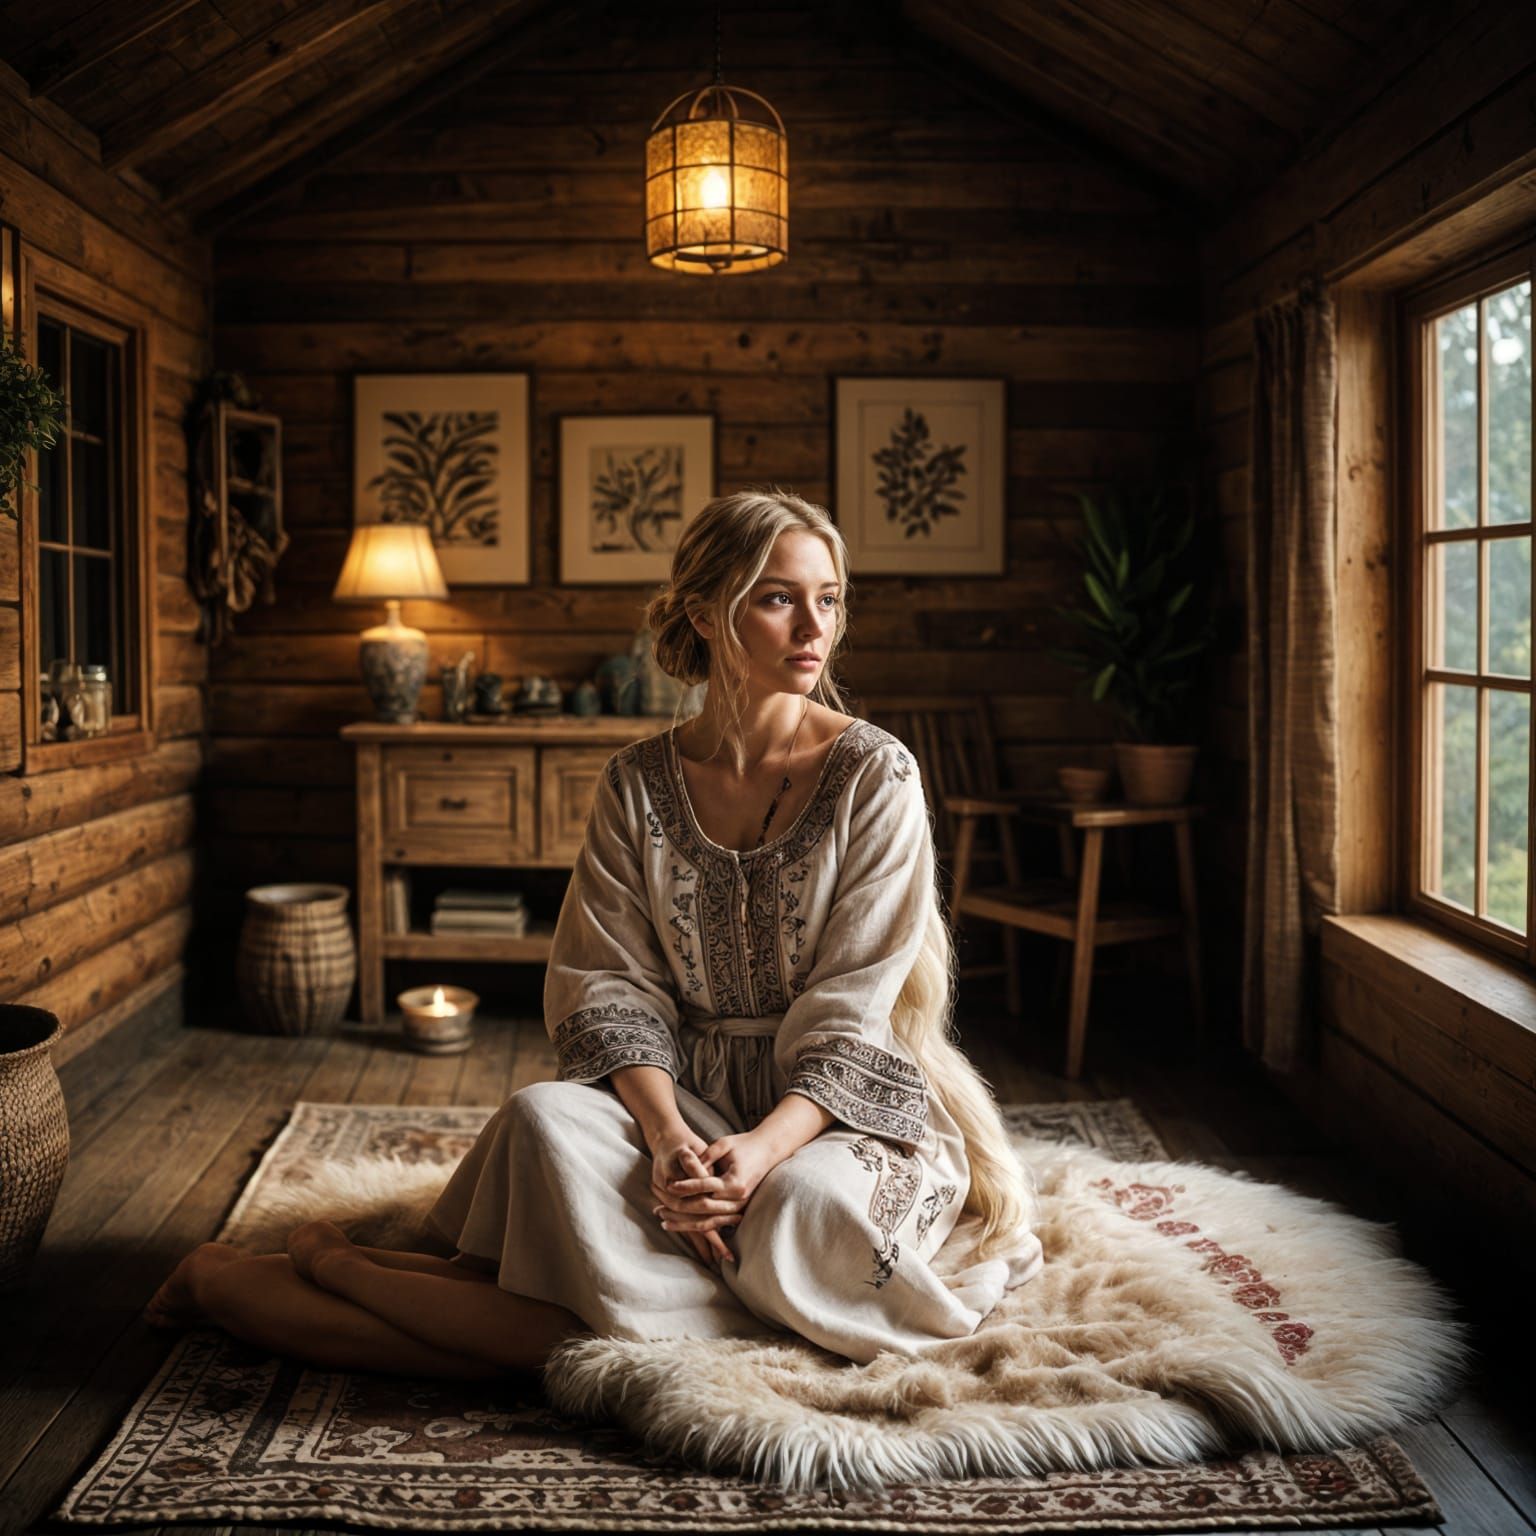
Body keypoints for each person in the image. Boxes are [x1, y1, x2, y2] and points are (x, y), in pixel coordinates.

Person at [145, 489, 1044, 1375]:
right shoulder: (637, 785)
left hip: (842, 1109)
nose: (814, 626)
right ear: (705, 611)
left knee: (801, 1213)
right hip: (683, 1098)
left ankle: (315, 1273)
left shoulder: (875, 774)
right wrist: (668, 1143)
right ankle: (622, 1307)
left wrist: (761, 1153)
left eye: (829, 598)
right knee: (541, 1116)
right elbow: (608, 985)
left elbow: (856, 999)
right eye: (779, 598)